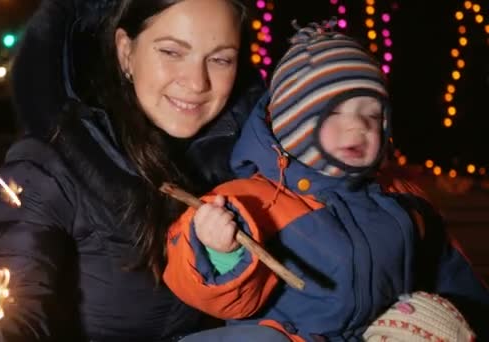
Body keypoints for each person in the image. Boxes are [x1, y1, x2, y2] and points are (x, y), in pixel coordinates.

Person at [0, 0, 265, 341]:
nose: (197, 83)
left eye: (220, 58)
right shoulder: (52, 164)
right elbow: (0, 305)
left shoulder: (248, 160)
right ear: (125, 51)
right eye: (171, 52)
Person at [163, 22, 489, 341]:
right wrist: (221, 250)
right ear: (295, 121)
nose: (358, 126)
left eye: (372, 115)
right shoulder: (254, 202)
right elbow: (208, 291)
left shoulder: (402, 201)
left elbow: (450, 276)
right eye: (334, 113)